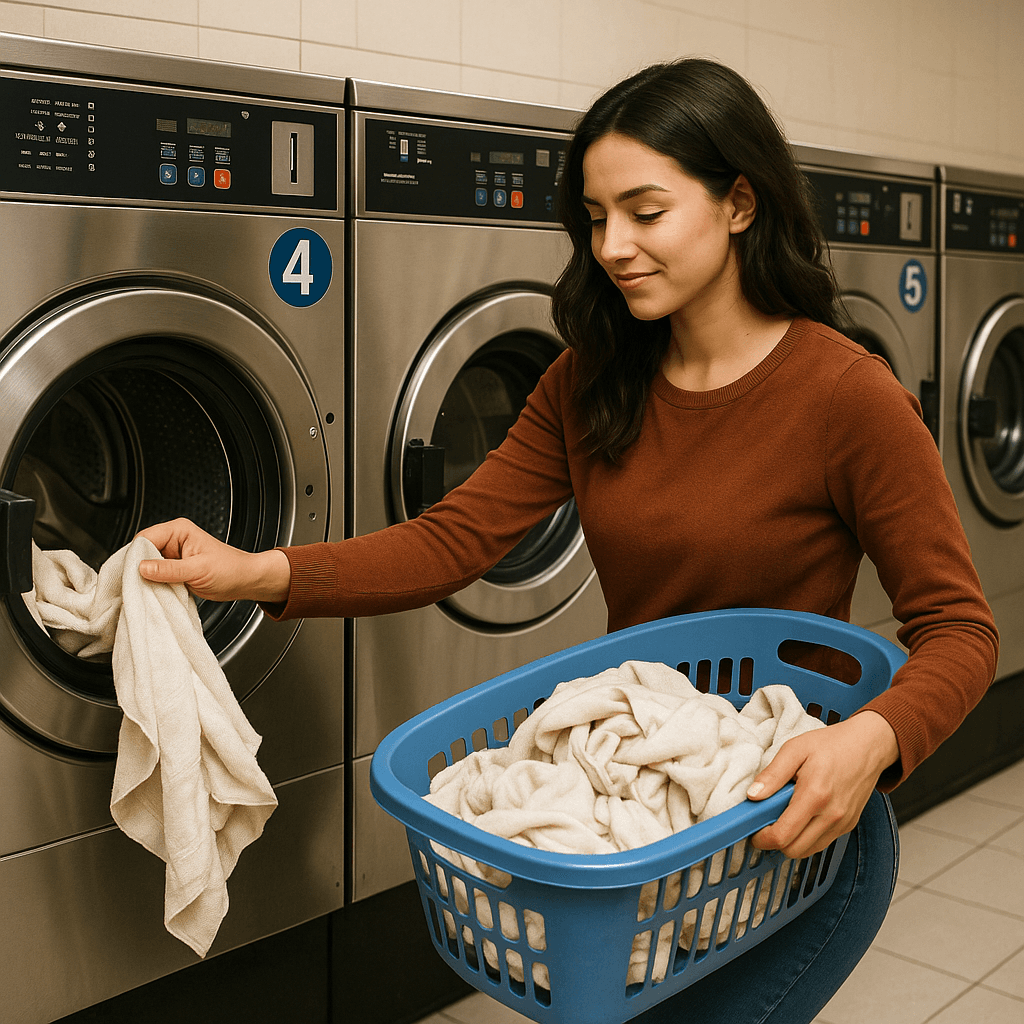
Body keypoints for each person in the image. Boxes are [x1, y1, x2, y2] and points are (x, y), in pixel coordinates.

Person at [138, 58, 997, 1023]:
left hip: (784, 823)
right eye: (594, 219)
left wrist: (870, 743)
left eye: (645, 211)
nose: (613, 247)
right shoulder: (591, 382)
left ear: (740, 203)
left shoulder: (847, 396)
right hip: (642, 819)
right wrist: (255, 570)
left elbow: (961, 629)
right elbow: (453, 540)